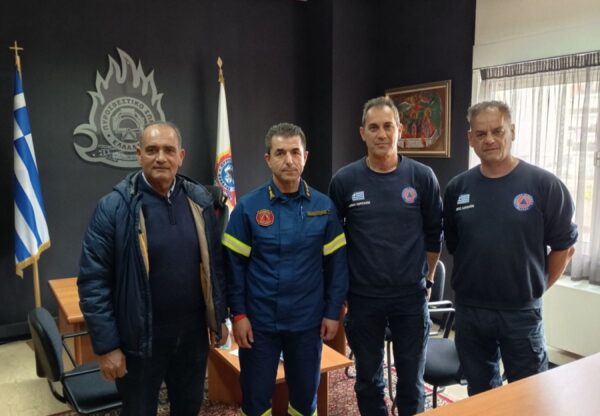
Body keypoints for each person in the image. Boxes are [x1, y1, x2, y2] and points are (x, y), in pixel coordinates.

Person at [78, 121, 228, 416]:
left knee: (188, 407)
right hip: (140, 341)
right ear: (139, 154)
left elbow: (216, 266)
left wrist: (218, 317)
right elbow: (93, 282)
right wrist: (107, 347)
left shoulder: (199, 200)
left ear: (181, 156)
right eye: (152, 150)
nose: (161, 157)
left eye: (169, 150)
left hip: (192, 337)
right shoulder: (114, 207)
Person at [443, 100, 578, 396]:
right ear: (470, 139)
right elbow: (456, 245)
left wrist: (537, 287)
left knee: (527, 395)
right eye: (481, 134)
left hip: (521, 314)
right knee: (481, 395)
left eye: (497, 131)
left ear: (512, 131)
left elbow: (564, 247)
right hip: (471, 311)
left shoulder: (544, 184)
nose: (489, 139)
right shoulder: (457, 188)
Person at [222, 122, 349, 416]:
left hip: (307, 322)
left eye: (295, 152)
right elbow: (233, 268)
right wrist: (238, 315)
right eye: (280, 153)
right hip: (259, 324)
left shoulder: (324, 207)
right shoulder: (248, 208)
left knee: (305, 399)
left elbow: (337, 266)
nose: (289, 160)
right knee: (255, 399)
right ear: (268, 159)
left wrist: (333, 312)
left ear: (306, 156)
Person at [329, 96, 443, 416]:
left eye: (388, 126)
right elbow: (334, 242)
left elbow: (434, 235)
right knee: (368, 381)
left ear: (400, 130)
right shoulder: (344, 181)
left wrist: (428, 278)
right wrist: (340, 291)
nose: (381, 134)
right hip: (363, 299)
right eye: (374, 127)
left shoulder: (422, 177)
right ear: (362, 133)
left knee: (411, 383)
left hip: (410, 298)